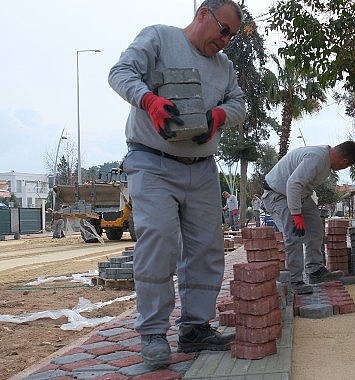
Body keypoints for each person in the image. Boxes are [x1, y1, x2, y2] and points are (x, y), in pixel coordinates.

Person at [107, 0, 245, 369]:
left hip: (201, 168)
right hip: (152, 161)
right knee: (159, 241)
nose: (226, 40)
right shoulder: (159, 38)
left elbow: (239, 104)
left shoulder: (224, 67)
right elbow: (120, 72)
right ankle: (153, 332)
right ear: (203, 14)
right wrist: (148, 100)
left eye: (232, 36)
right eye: (224, 30)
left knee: (206, 250)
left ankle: (195, 328)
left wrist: (218, 115)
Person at [262, 141, 355, 294]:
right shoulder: (317, 157)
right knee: (294, 237)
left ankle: (315, 271)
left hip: (300, 195)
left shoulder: (325, 161)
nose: (344, 168)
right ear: (344, 161)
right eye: (347, 166)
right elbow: (293, 183)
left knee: (315, 229)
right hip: (277, 194)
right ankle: (295, 281)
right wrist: (296, 214)